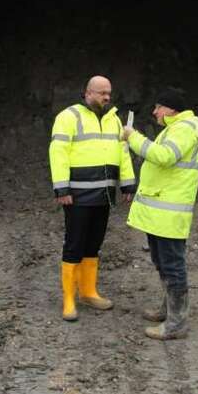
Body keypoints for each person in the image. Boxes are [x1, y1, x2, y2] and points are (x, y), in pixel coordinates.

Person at [122, 87, 198, 340]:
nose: (154, 112)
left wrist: (133, 137)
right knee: (162, 262)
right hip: (161, 211)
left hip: (169, 213)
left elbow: (164, 156)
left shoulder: (184, 129)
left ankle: (177, 323)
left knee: (173, 265)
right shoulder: (176, 128)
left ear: (171, 109)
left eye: (158, 107)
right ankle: (169, 310)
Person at [49, 76, 137, 322]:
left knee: (93, 245)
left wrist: (128, 184)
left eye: (109, 93)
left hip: (103, 195)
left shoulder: (113, 120)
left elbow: (123, 152)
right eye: (101, 93)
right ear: (87, 92)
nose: (107, 97)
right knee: (74, 244)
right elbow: (58, 153)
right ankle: (69, 299)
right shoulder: (68, 117)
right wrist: (62, 188)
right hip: (77, 195)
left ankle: (88, 291)